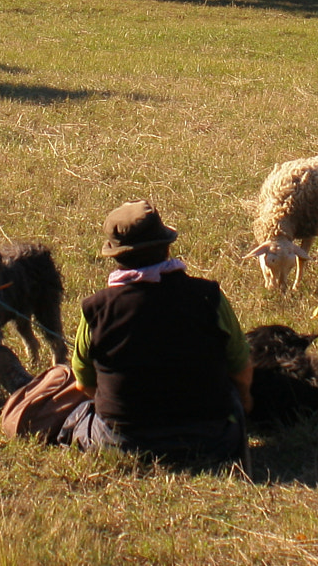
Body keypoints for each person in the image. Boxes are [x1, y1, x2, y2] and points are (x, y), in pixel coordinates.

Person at [62, 200, 253, 468]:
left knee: (75, 416)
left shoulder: (95, 309)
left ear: (115, 256)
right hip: (212, 440)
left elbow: (84, 383)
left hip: (122, 443)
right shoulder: (209, 297)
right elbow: (241, 369)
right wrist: (243, 404)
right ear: (166, 247)